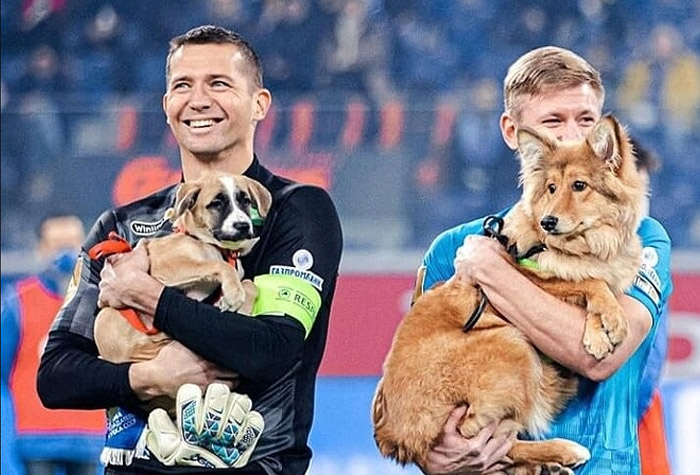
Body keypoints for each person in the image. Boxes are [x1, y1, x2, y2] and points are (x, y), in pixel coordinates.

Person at [37, 25, 343, 475]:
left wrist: (149, 296)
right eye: (182, 86)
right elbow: (56, 376)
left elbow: (270, 349)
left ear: (259, 104)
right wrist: (146, 377)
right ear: (166, 107)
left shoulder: (296, 209)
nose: (198, 100)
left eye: (218, 83)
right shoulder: (122, 226)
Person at [416, 46, 672, 474]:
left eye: (586, 120)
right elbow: (428, 403)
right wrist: (437, 454)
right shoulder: (451, 249)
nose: (573, 137)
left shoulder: (644, 240)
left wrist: (493, 270)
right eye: (553, 121)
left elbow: (600, 356)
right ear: (513, 132)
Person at [1, 213, 104, 475]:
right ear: (41, 249)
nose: (67, 252)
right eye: (57, 245)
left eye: (72, 243)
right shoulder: (18, 300)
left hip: (89, 434)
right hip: (37, 436)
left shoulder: (105, 297)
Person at [630, 138, 672, 475]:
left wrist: (622, 412)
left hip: (635, 415)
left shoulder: (651, 252)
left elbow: (653, 354)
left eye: (645, 194)